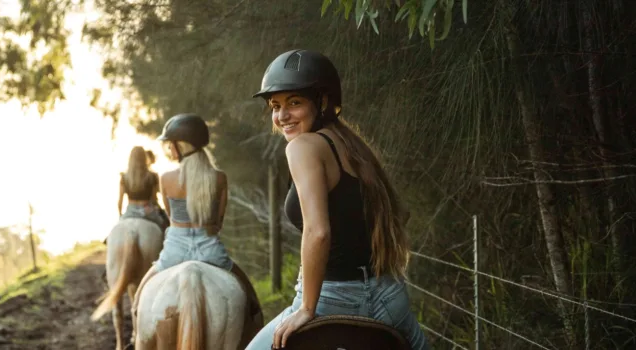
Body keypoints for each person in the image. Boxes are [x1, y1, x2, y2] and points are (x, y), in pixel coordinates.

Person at [245, 49, 429, 350]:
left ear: (324, 102)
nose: (282, 116)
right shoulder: (353, 145)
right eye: (275, 106)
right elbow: (401, 213)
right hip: (389, 297)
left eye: (294, 102)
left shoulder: (302, 147)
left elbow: (318, 232)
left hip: (331, 299)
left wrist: (307, 308)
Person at [130, 113, 263, 345]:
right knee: (250, 297)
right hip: (210, 248)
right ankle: (255, 331)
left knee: (140, 297)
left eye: (170, 145)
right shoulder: (219, 178)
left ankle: (135, 335)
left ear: (180, 146)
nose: (169, 150)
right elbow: (218, 221)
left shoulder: (166, 178)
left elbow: (171, 216)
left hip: (175, 250)